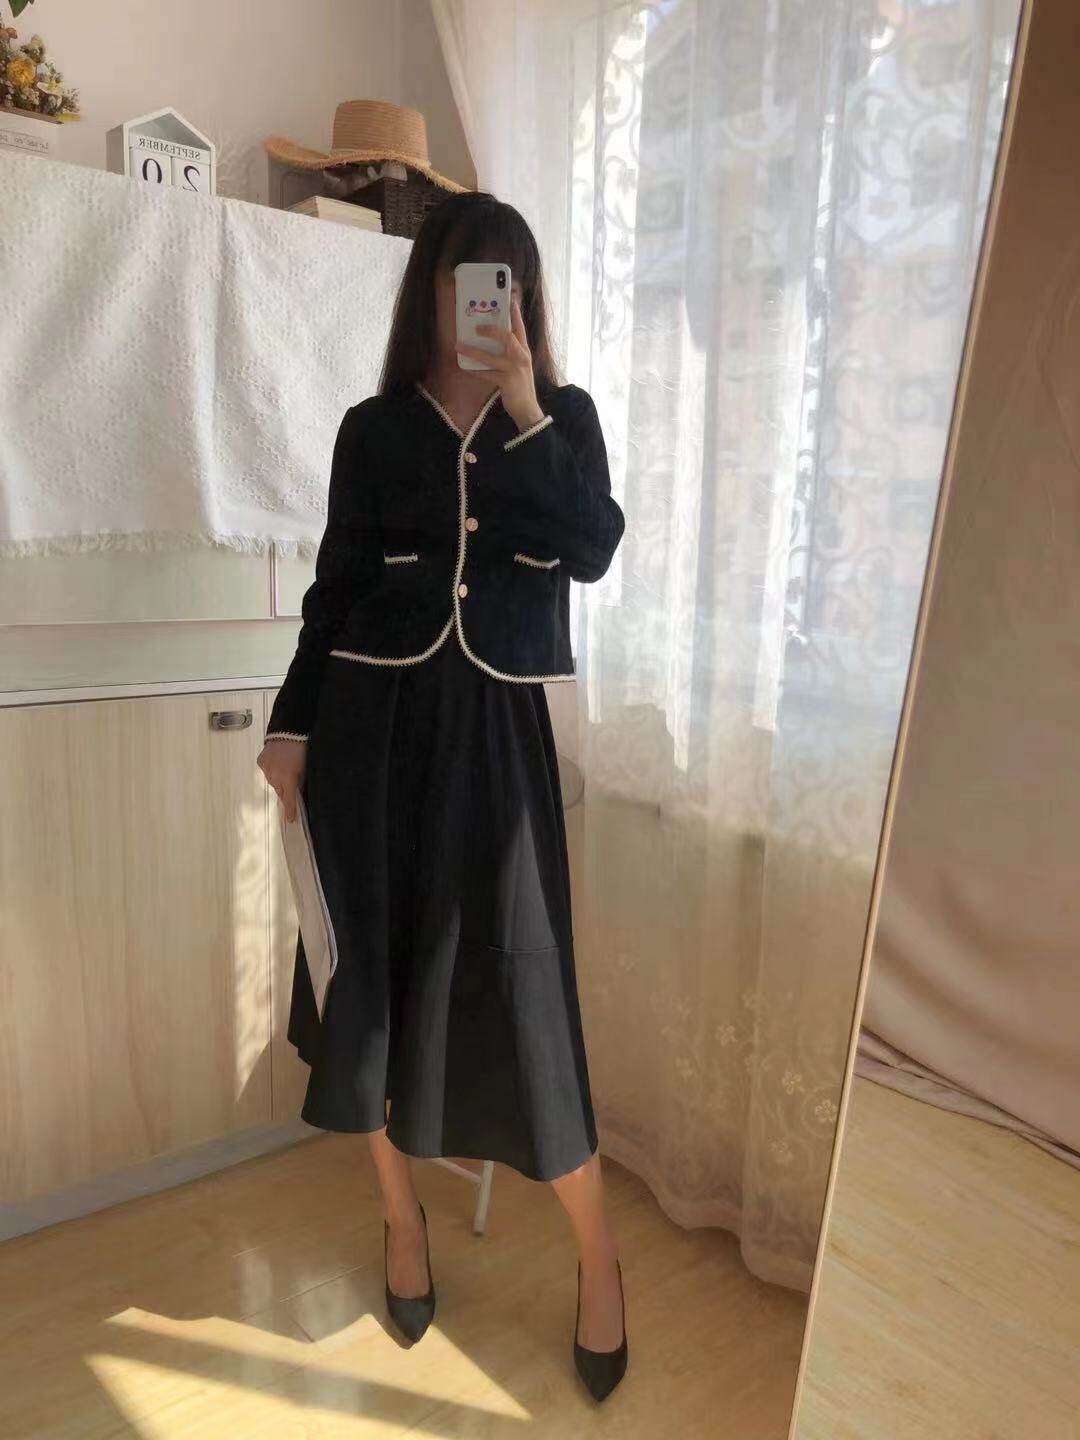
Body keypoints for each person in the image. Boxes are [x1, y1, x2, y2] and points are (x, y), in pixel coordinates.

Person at [256, 191, 628, 1400]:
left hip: (495, 741)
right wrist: (291, 726)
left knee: (527, 997)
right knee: (371, 988)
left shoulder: (560, 419)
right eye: (468, 282)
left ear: (526, 302)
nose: (486, 306)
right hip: (371, 739)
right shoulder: (372, 430)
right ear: (429, 291)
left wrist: (522, 408)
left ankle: (598, 1256)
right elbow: (334, 590)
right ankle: (401, 1221)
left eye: (506, 286)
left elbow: (593, 548)